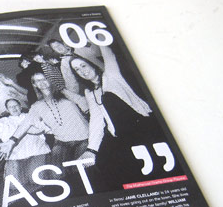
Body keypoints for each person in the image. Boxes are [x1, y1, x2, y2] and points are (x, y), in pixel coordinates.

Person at [69, 45, 176, 190]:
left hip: (144, 124)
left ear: (91, 63)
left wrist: (98, 38)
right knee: (116, 167)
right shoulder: (90, 93)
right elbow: (96, 121)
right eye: (77, 69)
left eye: (83, 65)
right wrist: (91, 149)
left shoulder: (111, 75)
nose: (82, 71)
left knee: (162, 166)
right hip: (122, 134)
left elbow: (108, 54)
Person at [0, 73, 95, 168]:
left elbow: (88, 106)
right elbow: (26, 123)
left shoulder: (66, 93)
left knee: (84, 168)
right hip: (62, 142)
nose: (42, 82)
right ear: (34, 85)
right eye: (38, 81)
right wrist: (11, 141)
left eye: (44, 79)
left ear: (49, 80)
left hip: (84, 138)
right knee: (57, 171)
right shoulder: (37, 105)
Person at [0, 99, 50, 188]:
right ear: (7, 110)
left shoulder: (31, 117)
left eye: (15, 105)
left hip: (37, 153)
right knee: (13, 186)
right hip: (16, 157)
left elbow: (47, 127)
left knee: (37, 180)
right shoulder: (3, 122)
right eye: (10, 107)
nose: (14, 108)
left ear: (20, 107)